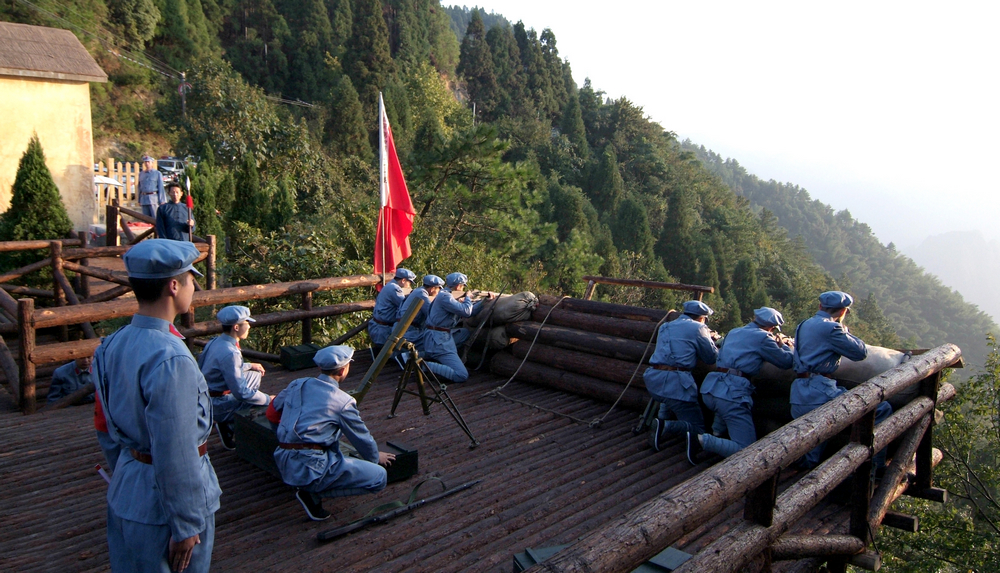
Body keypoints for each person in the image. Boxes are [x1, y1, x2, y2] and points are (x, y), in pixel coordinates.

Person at [93, 239, 221, 573]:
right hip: (166, 507)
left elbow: (105, 427)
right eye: (191, 279)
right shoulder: (171, 357)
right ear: (173, 285)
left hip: (128, 487)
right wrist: (186, 523)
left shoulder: (110, 345)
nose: (194, 286)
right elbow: (175, 449)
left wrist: (128, 472)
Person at [269, 345, 395, 521]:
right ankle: (313, 493)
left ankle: (311, 486)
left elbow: (272, 412)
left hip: (283, 459)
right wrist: (375, 458)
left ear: (320, 367)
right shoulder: (342, 401)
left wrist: (284, 438)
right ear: (343, 370)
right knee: (379, 477)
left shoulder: (297, 384)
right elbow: (361, 438)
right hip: (312, 465)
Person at [791, 290, 892, 469]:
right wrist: (845, 330)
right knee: (881, 408)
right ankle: (875, 467)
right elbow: (860, 353)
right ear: (843, 311)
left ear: (820, 306)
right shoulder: (833, 328)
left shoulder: (804, 324)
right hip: (821, 392)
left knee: (810, 457)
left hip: (799, 391)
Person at [687, 307, 794, 465]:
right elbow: (785, 362)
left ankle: (714, 437)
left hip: (711, 388)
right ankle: (701, 441)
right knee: (746, 447)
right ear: (771, 327)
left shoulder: (734, 331)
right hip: (732, 393)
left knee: (723, 413)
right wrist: (786, 346)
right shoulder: (764, 338)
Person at [645, 300, 719, 453]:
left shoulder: (665, 326)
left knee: (668, 402)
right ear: (701, 318)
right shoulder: (699, 328)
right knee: (698, 427)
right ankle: (665, 426)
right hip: (675, 383)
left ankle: (661, 423)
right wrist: (710, 339)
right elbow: (711, 358)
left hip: (653, 379)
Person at [198, 305, 270, 451]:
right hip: (217, 403)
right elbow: (241, 393)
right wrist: (269, 399)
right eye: (247, 323)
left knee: (254, 373)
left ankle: (230, 419)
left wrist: (249, 365)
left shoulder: (216, 342)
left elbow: (220, 367)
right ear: (236, 327)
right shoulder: (231, 352)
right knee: (260, 403)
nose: (249, 326)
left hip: (206, 394)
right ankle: (229, 424)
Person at [421, 272, 493, 383]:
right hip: (438, 339)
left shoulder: (446, 295)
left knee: (464, 333)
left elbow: (471, 311)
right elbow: (466, 311)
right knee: (461, 375)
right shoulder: (445, 296)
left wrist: (484, 301)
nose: (463, 288)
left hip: (438, 337)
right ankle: (422, 366)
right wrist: (468, 298)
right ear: (459, 286)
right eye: (463, 286)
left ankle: (419, 358)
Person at [368, 268, 416, 351]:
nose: (410, 285)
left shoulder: (389, 285)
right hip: (383, 329)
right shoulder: (395, 289)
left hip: (379, 327)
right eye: (409, 282)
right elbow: (405, 306)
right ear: (403, 280)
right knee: (388, 355)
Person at [396, 274, 444, 353]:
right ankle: (406, 358)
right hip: (408, 331)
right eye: (438, 289)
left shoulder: (418, 291)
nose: (438, 292)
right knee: (434, 343)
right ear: (432, 289)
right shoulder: (422, 294)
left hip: (405, 328)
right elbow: (431, 314)